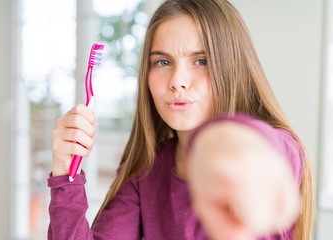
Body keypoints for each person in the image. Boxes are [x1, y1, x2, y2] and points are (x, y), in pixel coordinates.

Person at [48, 0, 314, 239]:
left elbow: (262, 151)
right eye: (163, 62)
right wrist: (64, 174)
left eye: (201, 61)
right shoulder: (147, 168)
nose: (177, 82)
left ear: (232, 66)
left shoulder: (279, 146)